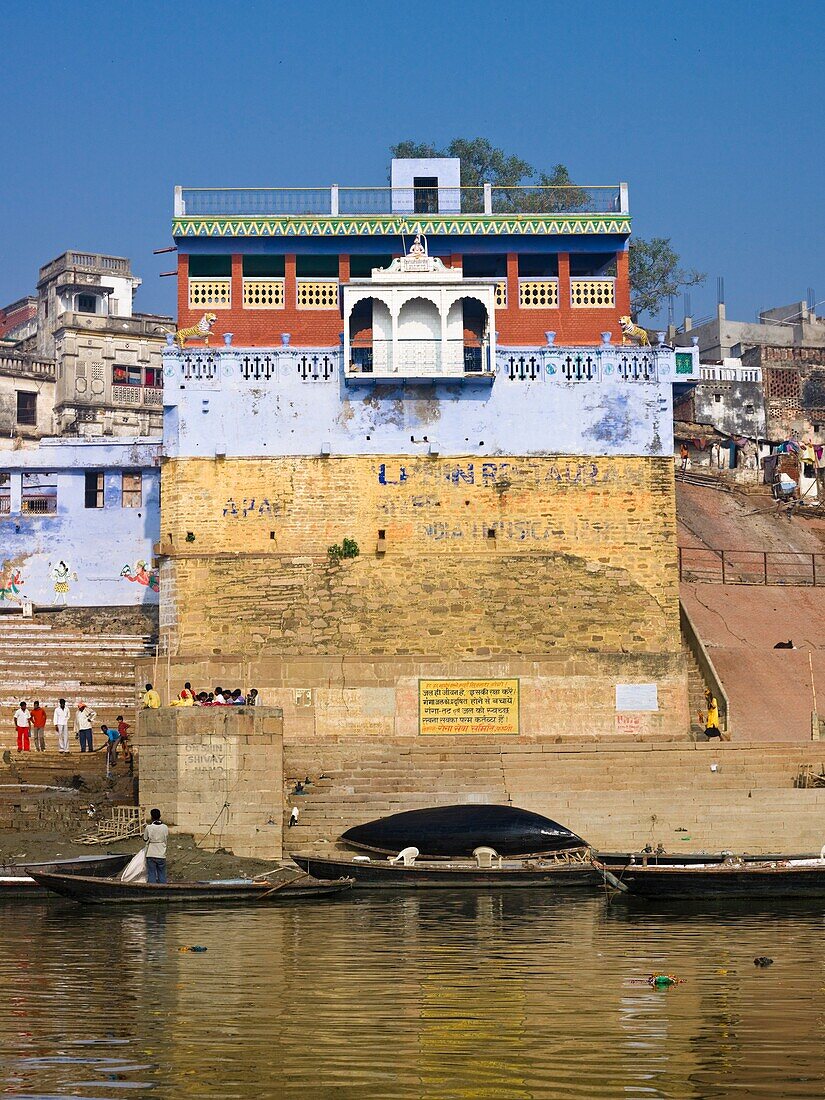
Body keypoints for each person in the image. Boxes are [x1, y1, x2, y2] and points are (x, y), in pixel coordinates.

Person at [143, 808, 169, 884]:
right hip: (161, 853)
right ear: (160, 816)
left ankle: (151, 888)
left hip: (151, 853)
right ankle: (163, 889)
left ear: (151, 817)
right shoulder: (165, 827)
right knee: (162, 874)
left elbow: (145, 839)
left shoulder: (149, 827)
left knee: (151, 873)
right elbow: (166, 837)